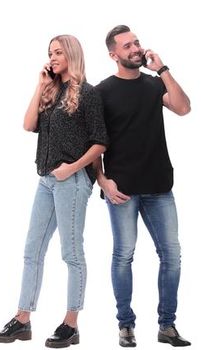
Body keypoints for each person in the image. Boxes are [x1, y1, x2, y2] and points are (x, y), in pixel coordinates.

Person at [0, 35, 106, 349]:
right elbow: (28, 125)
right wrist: (40, 85)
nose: (52, 58)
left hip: (72, 180)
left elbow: (100, 143)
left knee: (71, 253)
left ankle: (71, 324)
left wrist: (72, 168)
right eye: (49, 53)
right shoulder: (51, 91)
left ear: (71, 54)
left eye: (57, 52)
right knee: (32, 251)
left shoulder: (88, 94)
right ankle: (23, 319)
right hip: (45, 180)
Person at [95, 25, 193, 348]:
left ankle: (167, 325)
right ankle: (125, 324)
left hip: (159, 187)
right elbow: (93, 142)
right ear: (114, 54)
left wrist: (162, 69)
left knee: (173, 256)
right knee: (123, 256)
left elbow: (183, 107)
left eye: (136, 43)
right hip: (121, 190)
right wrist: (103, 180)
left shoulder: (153, 85)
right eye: (127, 46)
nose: (135, 48)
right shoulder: (102, 92)